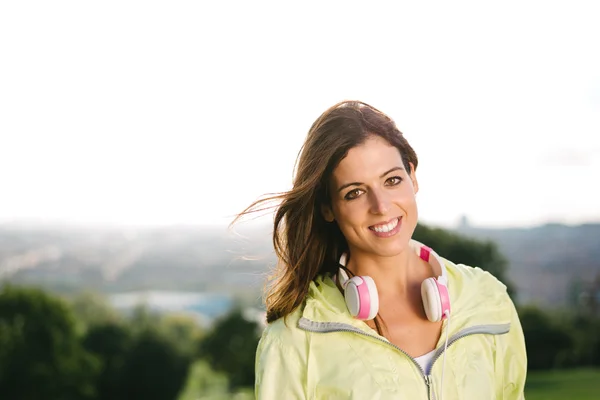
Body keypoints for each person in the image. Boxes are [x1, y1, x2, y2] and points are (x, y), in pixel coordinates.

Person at [234, 100, 527, 399]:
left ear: (412, 176)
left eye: (392, 180)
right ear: (327, 207)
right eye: (355, 193)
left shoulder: (488, 301)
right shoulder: (296, 334)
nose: (382, 206)